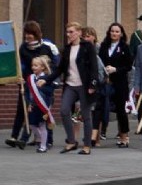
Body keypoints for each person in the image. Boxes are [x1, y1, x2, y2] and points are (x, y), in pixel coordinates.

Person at [40, 22, 100, 155]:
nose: (69, 34)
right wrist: (46, 79)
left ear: (79, 33)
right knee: (64, 110)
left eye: (71, 32)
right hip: (70, 85)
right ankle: (71, 141)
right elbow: (60, 69)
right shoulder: (67, 49)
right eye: (67, 32)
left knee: (85, 115)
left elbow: (94, 68)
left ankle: (87, 146)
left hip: (84, 86)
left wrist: (93, 84)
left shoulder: (87, 47)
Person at [5, 21, 59, 149]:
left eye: (31, 34)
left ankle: (44, 140)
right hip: (27, 82)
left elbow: (57, 64)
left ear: (36, 33)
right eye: (26, 34)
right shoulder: (23, 47)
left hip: (43, 84)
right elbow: (21, 65)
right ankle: (15, 136)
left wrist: (51, 79)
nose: (28, 36)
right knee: (23, 108)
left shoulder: (48, 45)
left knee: (42, 111)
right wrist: (19, 76)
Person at [98, 23, 133, 148]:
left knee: (120, 110)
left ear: (121, 34)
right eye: (112, 31)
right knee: (101, 108)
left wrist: (116, 69)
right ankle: (97, 137)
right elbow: (100, 61)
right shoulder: (104, 46)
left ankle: (124, 136)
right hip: (106, 81)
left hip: (120, 82)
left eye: (117, 31)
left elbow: (128, 66)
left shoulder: (124, 47)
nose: (114, 33)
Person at [24, 56, 55, 153]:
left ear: (42, 67)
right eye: (32, 65)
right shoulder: (31, 78)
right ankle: (42, 138)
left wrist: (42, 87)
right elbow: (29, 92)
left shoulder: (46, 78)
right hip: (33, 105)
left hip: (42, 105)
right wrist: (29, 104)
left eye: (36, 65)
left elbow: (50, 91)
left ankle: (43, 146)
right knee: (32, 125)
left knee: (42, 125)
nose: (33, 67)